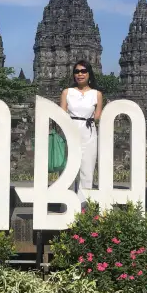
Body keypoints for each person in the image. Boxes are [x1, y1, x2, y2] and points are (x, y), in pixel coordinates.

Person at [60, 60, 103, 198]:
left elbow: (97, 116)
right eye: (77, 71)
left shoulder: (96, 94)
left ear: (89, 73)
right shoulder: (67, 92)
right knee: (69, 169)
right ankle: (67, 205)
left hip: (89, 132)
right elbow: (61, 114)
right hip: (70, 131)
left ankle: (84, 208)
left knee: (87, 170)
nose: (80, 74)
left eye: (83, 71)